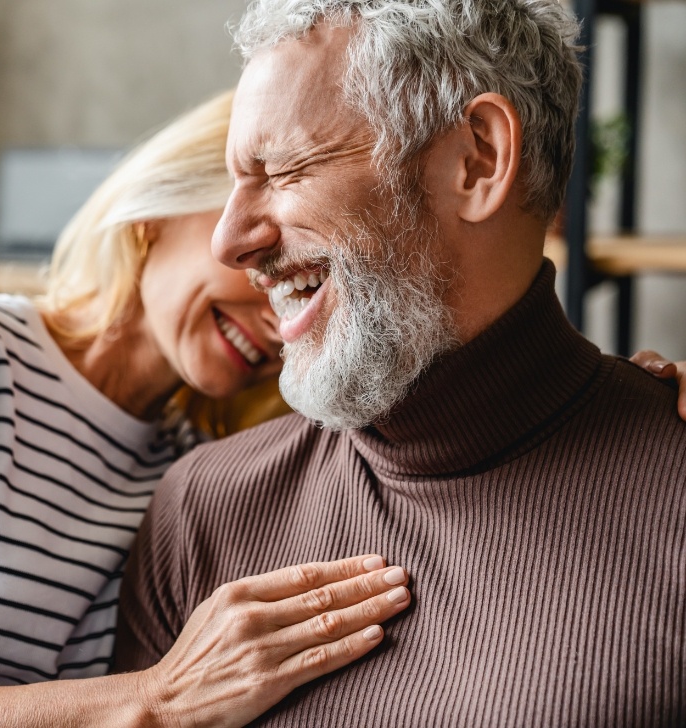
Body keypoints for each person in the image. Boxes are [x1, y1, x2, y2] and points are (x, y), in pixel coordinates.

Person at [117, 2, 686, 726]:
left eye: (285, 170)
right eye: (236, 182)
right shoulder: (204, 510)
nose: (230, 241)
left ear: (477, 159)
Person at [0, 90, 413, 728]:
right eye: (258, 254)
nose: (278, 311)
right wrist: (155, 700)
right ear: (157, 214)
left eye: (304, 283)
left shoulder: (186, 467)